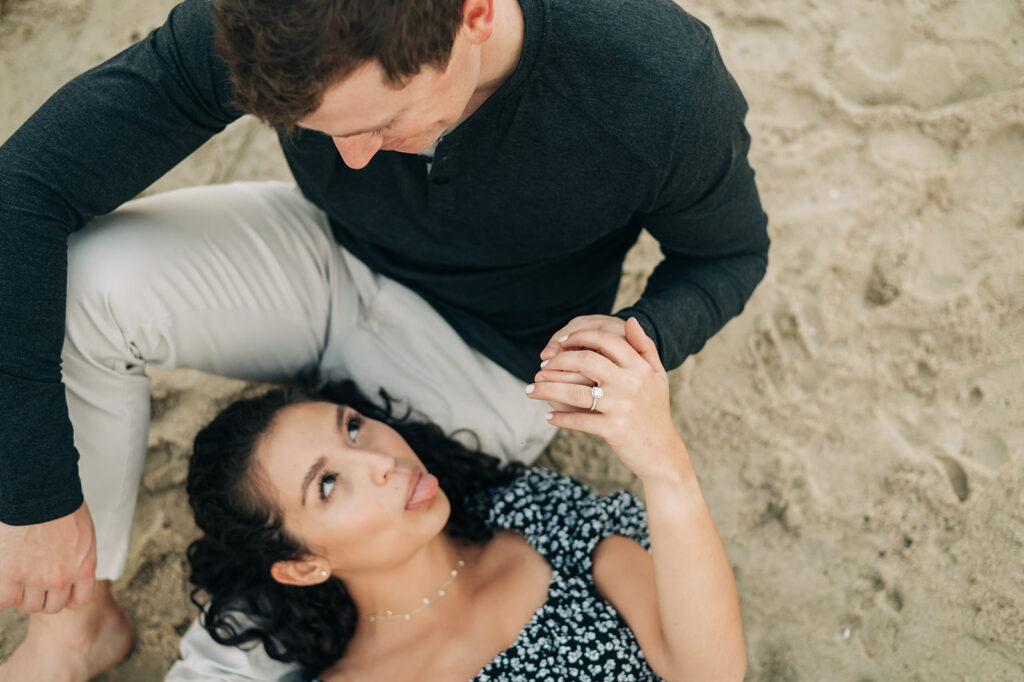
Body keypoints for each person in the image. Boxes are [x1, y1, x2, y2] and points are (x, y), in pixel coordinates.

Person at [0, 0, 768, 678]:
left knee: (332, 553)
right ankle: (77, 621)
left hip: (484, 354)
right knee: (79, 282)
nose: (356, 158)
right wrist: (36, 498)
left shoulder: (659, 82)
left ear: (475, 14)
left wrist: (632, 345)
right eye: (318, 129)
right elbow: (25, 190)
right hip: (327, 251)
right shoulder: (268, 18)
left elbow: (729, 255)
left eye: (380, 123)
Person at [172, 320, 745, 681]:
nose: (380, 462)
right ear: (303, 565)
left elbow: (710, 672)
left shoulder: (534, 517)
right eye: (327, 483)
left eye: (352, 428)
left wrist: (666, 469)